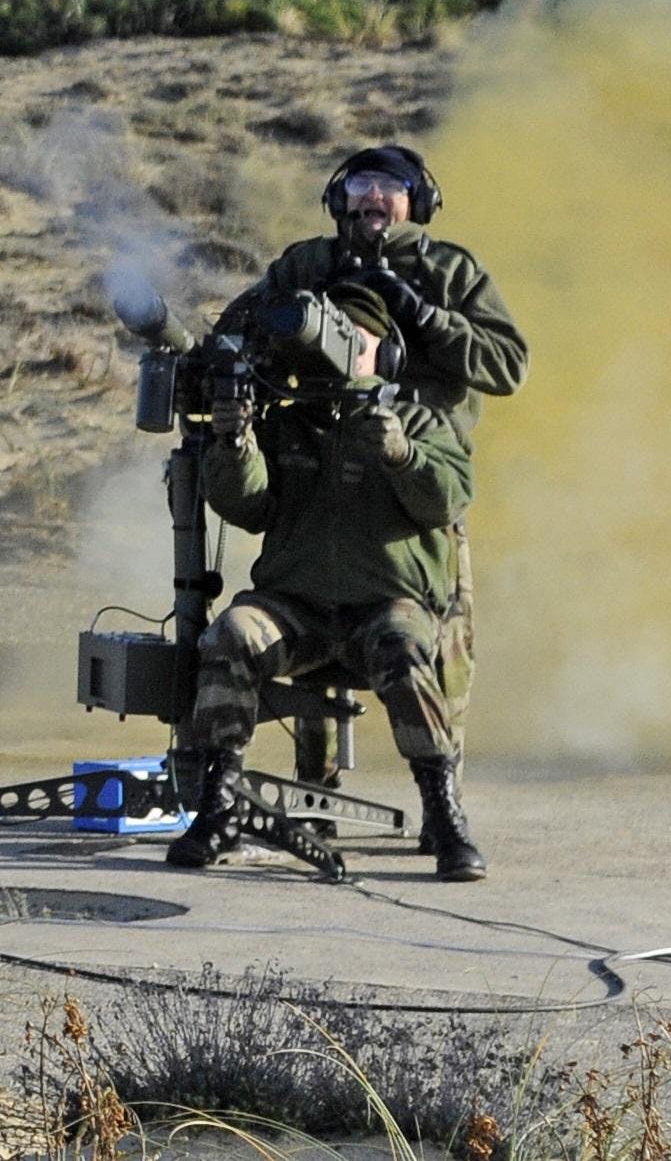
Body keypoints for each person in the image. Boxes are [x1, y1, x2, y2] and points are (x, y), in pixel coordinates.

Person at [166, 144, 527, 881]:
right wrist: (234, 417)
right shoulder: (306, 270)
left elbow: (504, 367)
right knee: (233, 631)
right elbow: (240, 350)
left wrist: (419, 319)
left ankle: (443, 812)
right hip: (306, 572)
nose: (372, 200)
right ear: (337, 199)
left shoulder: (450, 273)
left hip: (407, 501)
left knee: (418, 646)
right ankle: (223, 802)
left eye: (388, 189)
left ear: (415, 202)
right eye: (358, 186)